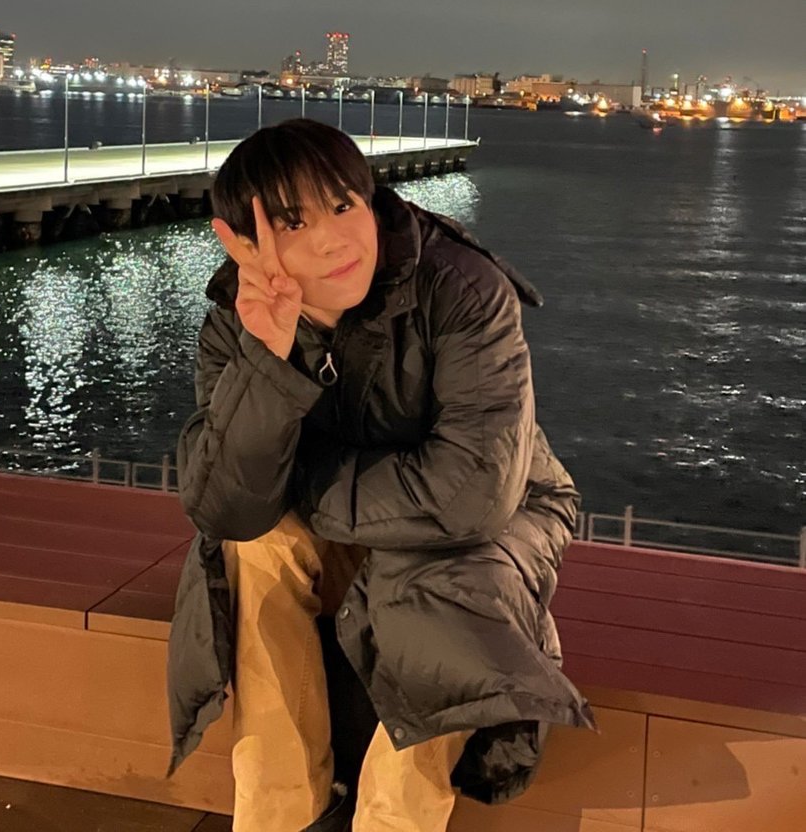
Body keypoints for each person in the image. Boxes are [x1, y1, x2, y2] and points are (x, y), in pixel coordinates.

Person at [167, 119, 593, 832]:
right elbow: (226, 510)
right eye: (293, 222)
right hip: (370, 511)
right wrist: (269, 356)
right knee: (253, 548)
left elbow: (470, 497)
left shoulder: (463, 290)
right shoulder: (238, 322)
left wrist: (299, 488)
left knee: (426, 575)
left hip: (502, 511)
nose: (333, 239)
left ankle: (393, 823)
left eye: (344, 205)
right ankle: (280, 816)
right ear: (240, 242)